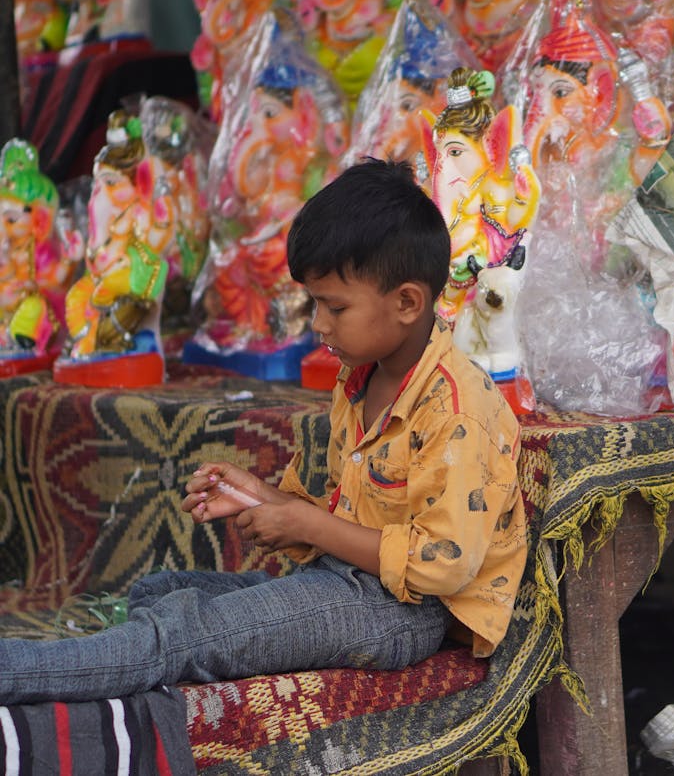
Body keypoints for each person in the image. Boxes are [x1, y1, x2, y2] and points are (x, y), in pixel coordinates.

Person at [0, 158, 526, 705]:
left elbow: (441, 566)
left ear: (408, 302)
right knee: (162, 591)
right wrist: (260, 498)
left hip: (404, 613)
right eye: (314, 304)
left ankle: (23, 671)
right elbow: (337, 519)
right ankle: (117, 658)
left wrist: (305, 524)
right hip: (344, 579)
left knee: (185, 631)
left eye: (334, 306)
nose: (318, 324)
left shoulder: (457, 408)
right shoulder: (358, 380)